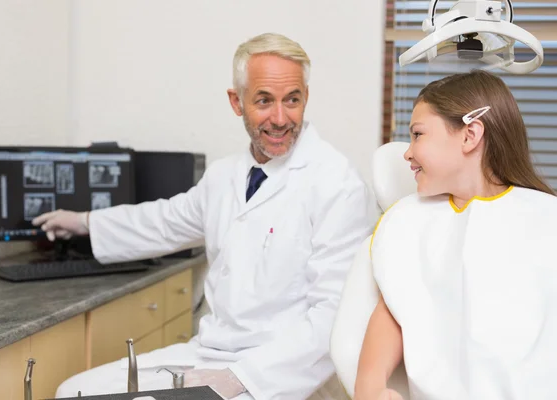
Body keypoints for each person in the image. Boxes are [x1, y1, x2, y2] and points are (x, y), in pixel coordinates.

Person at [33, 32, 376, 400]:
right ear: (236, 102)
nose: (280, 118)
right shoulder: (224, 176)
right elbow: (163, 221)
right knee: (73, 391)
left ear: (306, 98)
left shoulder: (336, 183)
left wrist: (243, 378)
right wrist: (84, 222)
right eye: (264, 100)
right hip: (208, 354)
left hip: (280, 374)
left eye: (292, 100)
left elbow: (333, 319)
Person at [353, 69, 557, 400]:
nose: (406, 152)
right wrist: (371, 387)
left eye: (418, 134)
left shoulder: (545, 221)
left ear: (469, 135)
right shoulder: (410, 223)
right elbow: (396, 304)